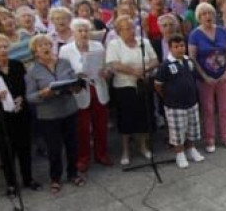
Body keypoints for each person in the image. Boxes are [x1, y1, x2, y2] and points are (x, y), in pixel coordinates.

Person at [0, 34, 41, 197]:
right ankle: (11, 184)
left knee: (25, 148)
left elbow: (26, 86)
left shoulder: (17, 65)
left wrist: (21, 98)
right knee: (7, 152)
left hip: (20, 112)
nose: (3, 50)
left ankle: (28, 179)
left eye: (5, 46)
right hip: (1, 117)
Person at [24, 34, 84, 194]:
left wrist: (76, 86)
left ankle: (73, 173)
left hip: (69, 109)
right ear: (35, 52)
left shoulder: (63, 63)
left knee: (72, 144)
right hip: (49, 115)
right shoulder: (32, 71)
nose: (45, 47)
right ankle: (55, 178)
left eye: (48, 44)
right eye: (41, 45)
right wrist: (43, 94)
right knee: (54, 148)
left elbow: (73, 81)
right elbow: (29, 97)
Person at [58, 18, 113, 172]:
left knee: (101, 125)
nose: (83, 33)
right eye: (80, 31)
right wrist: (76, 75)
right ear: (73, 32)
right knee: (82, 128)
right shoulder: (66, 50)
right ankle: (83, 157)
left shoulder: (98, 46)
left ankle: (101, 154)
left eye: (86, 30)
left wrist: (106, 71)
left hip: (98, 87)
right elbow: (62, 72)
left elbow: (107, 66)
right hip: (80, 90)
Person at [106, 15, 158, 166]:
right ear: (118, 31)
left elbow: (155, 60)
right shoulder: (114, 44)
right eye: (126, 28)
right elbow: (114, 65)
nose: (130, 30)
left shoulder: (144, 42)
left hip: (143, 84)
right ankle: (125, 150)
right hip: (124, 86)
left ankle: (143, 146)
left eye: (132, 27)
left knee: (144, 116)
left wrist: (145, 68)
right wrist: (133, 71)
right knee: (126, 119)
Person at [188, 3, 226, 152]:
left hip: (223, 76)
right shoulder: (194, 34)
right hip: (205, 78)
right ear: (199, 17)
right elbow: (192, 58)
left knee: (225, 108)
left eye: (210, 13)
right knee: (208, 109)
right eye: (204, 14)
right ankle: (209, 139)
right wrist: (204, 76)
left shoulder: (222, 31)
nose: (207, 16)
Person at [154, 34, 206, 169]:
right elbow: (158, 84)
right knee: (178, 131)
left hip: (191, 102)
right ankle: (180, 153)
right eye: (176, 47)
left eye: (182, 46)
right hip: (175, 105)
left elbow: (193, 78)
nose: (180, 49)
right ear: (170, 49)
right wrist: (167, 97)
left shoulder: (189, 61)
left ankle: (191, 149)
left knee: (191, 127)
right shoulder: (166, 65)